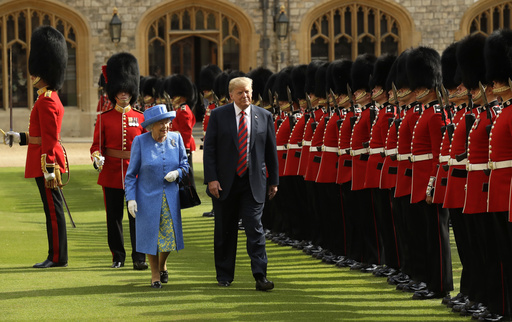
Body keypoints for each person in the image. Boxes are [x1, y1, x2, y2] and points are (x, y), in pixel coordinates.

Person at [203, 76, 279, 291]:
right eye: (240, 93)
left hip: (253, 182)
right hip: (225, 183)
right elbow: (209, 150)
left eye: (248, 92)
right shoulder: (219, 115)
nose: (245, 96)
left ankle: (260, 276)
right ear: (231, 96)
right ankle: (225, 275)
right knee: (225, 231)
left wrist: (273, 180)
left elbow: (270, 151)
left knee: (255, 229)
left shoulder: (264, 116)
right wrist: (212, 179)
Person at [2, 26, 69, 268]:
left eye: (36, 72)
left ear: (45, 72)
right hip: (43, 159)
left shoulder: (48, 100)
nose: (32, 76)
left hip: (46, 162)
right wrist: (18, 137)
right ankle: (55, 254)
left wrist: (50, 167)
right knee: (50, 209)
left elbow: (49, 139)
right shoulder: (45, 98)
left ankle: (57, 256)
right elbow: (39, 136)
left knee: (53, 210)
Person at [90, 52, 148, 270]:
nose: (124, 93)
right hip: (112, 173)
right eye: (120, 90)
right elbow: (97, 145)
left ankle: (139, 257)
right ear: (113, 92)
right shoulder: (104, 118)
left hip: (136, 174)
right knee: (113, 218)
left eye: (127, 90)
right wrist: (97, 157)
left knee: (137, 217)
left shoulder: (142, 117)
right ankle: (118, 256)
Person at [125, 104, 189, 289]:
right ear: (151, 126)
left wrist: (177, 173)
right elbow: (131, 174)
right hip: (146, 198)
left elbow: (185, 165)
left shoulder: (176, 139)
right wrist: (131, 198)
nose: (166, 127)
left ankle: (162, 265)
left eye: (167, 122)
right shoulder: (140, 141)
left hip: (170, 197)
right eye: (161, 124)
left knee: (169, 237)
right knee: (150, 237)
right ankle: (155, 274)